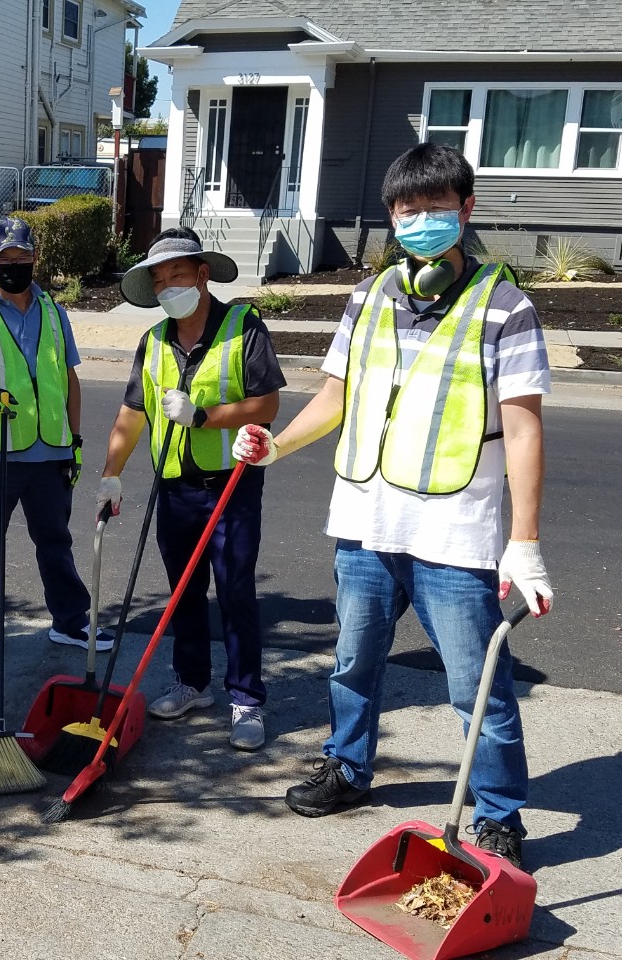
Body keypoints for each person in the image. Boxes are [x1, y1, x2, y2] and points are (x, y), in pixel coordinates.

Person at [233, 143, 553, 867]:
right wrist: (276, 447)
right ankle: (348, 768)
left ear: (467, 211)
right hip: (366, 525)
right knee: (352, 662)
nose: (421, 222)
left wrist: (524, 541)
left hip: (454, 536)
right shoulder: (369, 296)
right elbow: (335, 397)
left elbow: (526, 429)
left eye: (437, 208)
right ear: (391, 216)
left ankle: (499, 814)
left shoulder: (506, 308)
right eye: (408, 211)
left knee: (478, 689)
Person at [97, 227, 286, 751]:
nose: (167, 287)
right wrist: (111, 473)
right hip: (175, 488)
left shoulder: (242, 327)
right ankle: (192, 683)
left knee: (235, 592)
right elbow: (133, 413)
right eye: (158, 281)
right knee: (183, 593)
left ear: (202, 275)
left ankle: (246, 698)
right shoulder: (154, 341)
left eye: (176, 275)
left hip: (231, 488)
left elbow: (267, 406)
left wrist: (203, 417)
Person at [0, 216, 106, 664]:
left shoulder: (55, 312)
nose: (14, 265)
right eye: (5, 259)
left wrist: (74, 442)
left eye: (22, 257)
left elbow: (69, 380)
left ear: (35, 258)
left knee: (56, 542)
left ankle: (70, 622)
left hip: (51, 452)